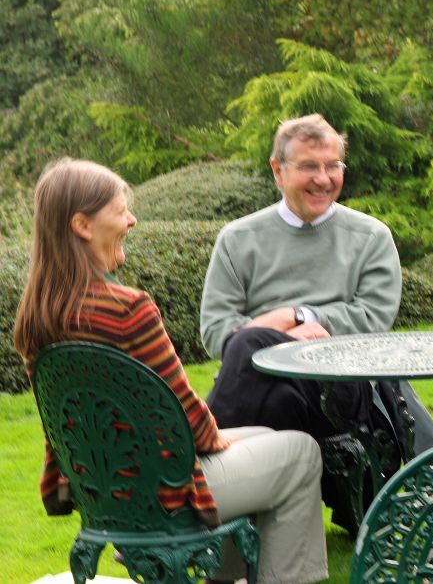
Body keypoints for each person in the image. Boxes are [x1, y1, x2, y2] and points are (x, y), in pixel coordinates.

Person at [14, 159, 327, 584]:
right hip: (164, 493)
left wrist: (223, 438)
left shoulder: (36, 318)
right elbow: (188, 420)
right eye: (121, 210)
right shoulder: (127, 309)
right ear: (82, 225)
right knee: (300, 453)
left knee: (266, 438)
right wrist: (216, 439)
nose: (132, 219)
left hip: (105, 493)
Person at [200, 114, 433, 524]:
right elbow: (215, 332)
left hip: (344, 385)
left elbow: (373, 317)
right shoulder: (238, 239)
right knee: (261, 368)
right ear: (278, 170)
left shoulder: (370, 237)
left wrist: (300, 315)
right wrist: (283, 330)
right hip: (270, 386)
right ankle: (267, 517)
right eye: (310, 166)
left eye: (333, 166)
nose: (324, 179)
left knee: (248, 340)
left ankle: (186, 475)